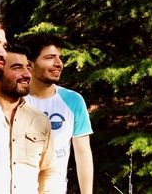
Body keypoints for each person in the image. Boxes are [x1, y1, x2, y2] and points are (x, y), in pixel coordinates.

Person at [23, 34, 94, 194]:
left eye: (60, 58)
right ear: (30, 64)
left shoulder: (73, 101)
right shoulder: (14, 100)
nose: (58, 64)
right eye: (50, 57)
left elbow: (83, 154)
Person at [0, 43, 59, 194]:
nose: (27, 75)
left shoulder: (40, 120)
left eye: (28, 67)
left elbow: (49, 171)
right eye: (17, 68)